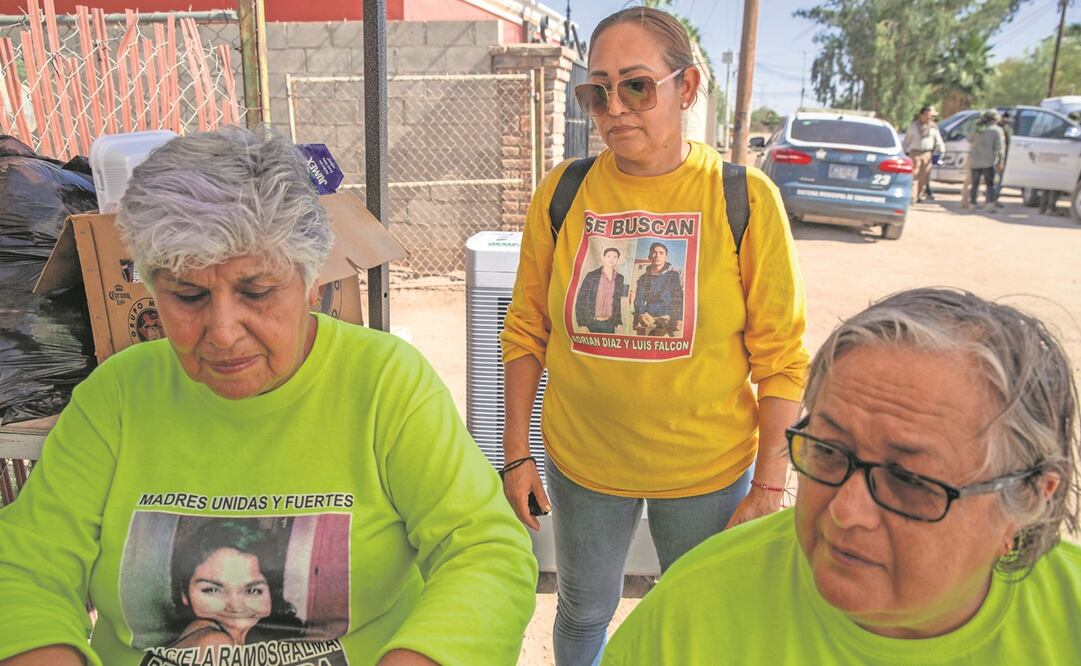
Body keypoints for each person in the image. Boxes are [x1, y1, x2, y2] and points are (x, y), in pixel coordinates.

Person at [0, 126, 537, 666]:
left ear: (312, 283)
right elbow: (26, 570)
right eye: (187, 296)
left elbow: (484, 553)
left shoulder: (383, 384)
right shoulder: (116, 397)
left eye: (256, 292)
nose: (224, 330)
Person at [500, 7, 808, 665]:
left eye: (636, 85)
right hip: (583, 464)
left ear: (686, 88)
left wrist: (769, 484)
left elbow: (781, 356)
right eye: (597, 90)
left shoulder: (742, 199)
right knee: (583, 613)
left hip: (709, 473)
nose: (614, 107)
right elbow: (526, 328)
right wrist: (515, 452)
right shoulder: (562, 192)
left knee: (703, 620)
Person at [603, 288, 1081, 664]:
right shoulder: (693, 612)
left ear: (1029, 496)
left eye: (910, 480)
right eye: (830, 452)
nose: (846, 511)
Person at [631, 242, 683, 336]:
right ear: (649, 256)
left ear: (666, 257)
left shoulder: (674, 275)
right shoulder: (643, 278)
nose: (657, 255)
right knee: (642, 343)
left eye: (661, 253)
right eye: (654, 252)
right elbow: (639, 299)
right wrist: (641, 314)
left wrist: (679, 318)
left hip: (669, 317)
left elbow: (679, 298)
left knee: (678, 339)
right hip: (649, 316)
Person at [574, 246, 626, 333]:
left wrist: (619, 323)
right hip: (591, 323)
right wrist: (582, 324)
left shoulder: (620, 278)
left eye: (615, 257)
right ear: (603, 258)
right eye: (608, 256)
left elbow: (617, 302)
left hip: (610, 324)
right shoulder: (591, 276)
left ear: (618, 259)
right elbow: (580, 300)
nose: (611, 259)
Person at [901, 105, 945, 203]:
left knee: (923, 177)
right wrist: (903, 152)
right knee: (914, 176)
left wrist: (941, 151)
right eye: (928, 115)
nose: (930, 118)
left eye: (932, 116)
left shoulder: (933, 127)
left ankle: (920, 195)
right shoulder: (913, 126)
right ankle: (912, 196)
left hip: (927, 154)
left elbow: (938, 140)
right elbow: (907, 140)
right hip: (915, 153)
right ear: (922, 115)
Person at [966, 110, 1006, 210]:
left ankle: (972, 204)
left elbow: (969, 139)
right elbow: (999, 148)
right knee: (990, 184)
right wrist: (1000, 161)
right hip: (989, 161)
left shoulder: (977, 128)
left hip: (975, 160)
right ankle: (989, 204)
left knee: (975, 184)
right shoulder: (997, 130)